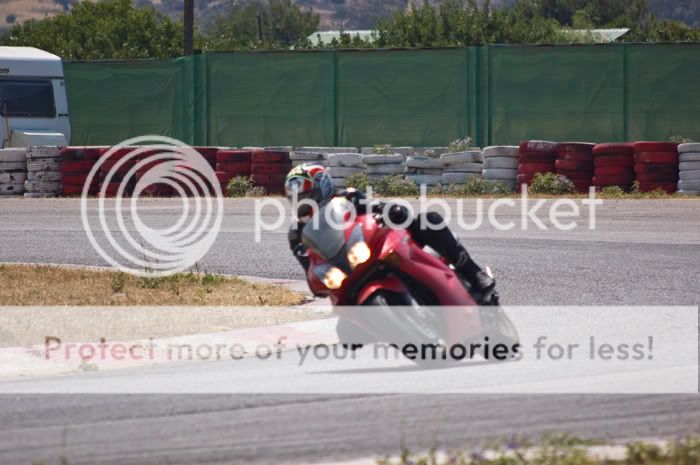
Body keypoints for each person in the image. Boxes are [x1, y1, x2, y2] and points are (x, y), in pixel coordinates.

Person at [284, 164, 495, 296]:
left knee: (429, 220)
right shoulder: (297, 233)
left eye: (308, 198)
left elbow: (379, 207)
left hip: (374, 249)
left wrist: (392, 211)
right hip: (345, 274)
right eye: (298, 202)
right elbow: (309, 266)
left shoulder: (348, 197)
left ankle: (473, 273)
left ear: (323, 189)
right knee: (347, 331)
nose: (305, 206)